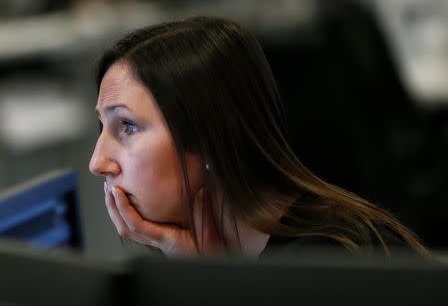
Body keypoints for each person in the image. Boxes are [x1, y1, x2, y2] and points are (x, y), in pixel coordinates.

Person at [89, 16, 429, 257]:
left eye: (128, 127)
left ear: (210, 137)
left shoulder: (333, 265)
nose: (97, 162)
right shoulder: (218, 257)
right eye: (103, 127)